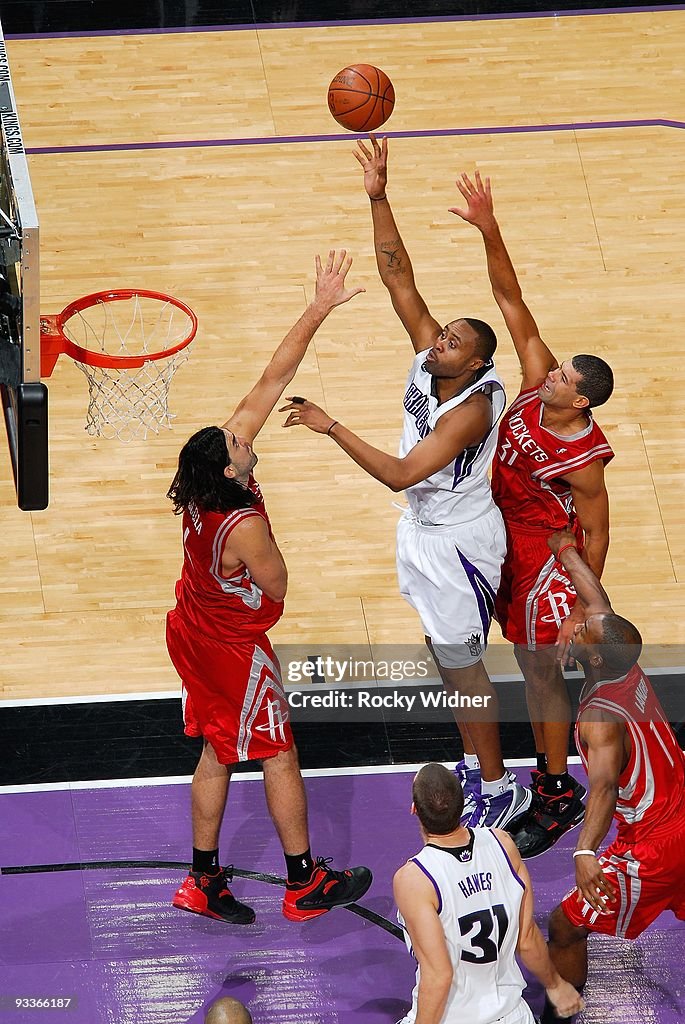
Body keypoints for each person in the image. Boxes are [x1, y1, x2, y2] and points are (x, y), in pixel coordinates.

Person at [280, 136, 531, 832]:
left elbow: (396, 474)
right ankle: (480, 764)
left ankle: (497, 784)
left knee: (464, 672)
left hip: (457, 543)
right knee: (450, 666)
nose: (437, 340)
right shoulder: (432, 360)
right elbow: (399, 280)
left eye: (452, 341)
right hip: (424, 531)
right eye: (442, 334)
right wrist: (378, 196)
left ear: (476, 363)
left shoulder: (472, 408)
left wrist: (330, 425)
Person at [166, 250, 372, 925]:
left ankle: (201, 880)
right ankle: (302, 883)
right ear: (229, 472)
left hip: (191, 628)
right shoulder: (243, 522)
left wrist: (319, 306)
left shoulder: (205, 479)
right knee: (277, 751)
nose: (244, 437)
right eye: (237, 446)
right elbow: (277, 586)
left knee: (218, 749)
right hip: (230, 645)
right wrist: (257, 601)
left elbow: (272, 375)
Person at [450, 171, 616, 857]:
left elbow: (597, 531)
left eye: (561, 380)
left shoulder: (582, 458)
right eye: (553, 372)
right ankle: (553, 776)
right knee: (526, 665)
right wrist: (489, 228)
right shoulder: (535, 378)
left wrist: (584, 607)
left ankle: (556, 787)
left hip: (546, 560)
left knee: (539, 666)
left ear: (579, 402)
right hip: (501, 540)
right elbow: (509, 300)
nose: (548, 375)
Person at [539, 530, 685, 1024]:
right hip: (680, 811)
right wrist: (564, 549)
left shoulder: (601, 717)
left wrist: (584, 851)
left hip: (656, 845)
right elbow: (598, 603)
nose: (574, 627)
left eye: (582, 633)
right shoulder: (625, 662)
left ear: (594, 657)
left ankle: (562, 1015)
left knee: (563, 925)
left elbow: (601, 788)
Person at [393, 762, 584, 1024]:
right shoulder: (503, 844)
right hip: (513, 1016)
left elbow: (439, 976)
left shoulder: (414, 879)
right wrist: (555, 985)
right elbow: (526, 939)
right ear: (463, 805)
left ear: (415, 809)